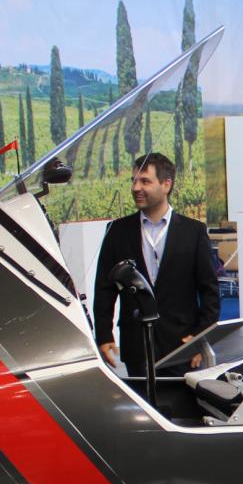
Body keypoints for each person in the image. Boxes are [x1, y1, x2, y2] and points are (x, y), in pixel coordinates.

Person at [93, 152, 220, 379]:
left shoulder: (193, 232)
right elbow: (104, 287)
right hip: (136, 343)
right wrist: (104, 334)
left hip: (182, 344)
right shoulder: (117, 231)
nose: (136, 188)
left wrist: (200, 336)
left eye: (145, 181)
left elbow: (209, 290)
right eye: (133, 181)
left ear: (166, 184)